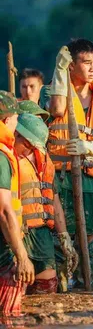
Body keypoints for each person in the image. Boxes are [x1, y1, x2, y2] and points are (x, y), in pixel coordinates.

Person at [47, 39, 93, 288]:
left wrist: (89, 147)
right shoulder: (56, 90)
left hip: (91, 177)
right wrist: (59, 70)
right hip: (62, 177)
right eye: (85, 63)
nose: (92, 68)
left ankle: (85, 280)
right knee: (61, 234)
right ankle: (62, 280)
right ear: (72, 65)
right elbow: (56, 110)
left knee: (89, 234)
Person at [14, 113, 78, 294]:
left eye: (32, 146)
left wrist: (64, 236)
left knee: (48, 284)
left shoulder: (44, 160)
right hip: (14, 229)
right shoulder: (7, 158)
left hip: (40, 231)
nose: (28, 150)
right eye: (26, 145)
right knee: (16, 283)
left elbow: (53, 200)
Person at [0, 91, 35, 314]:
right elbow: (4, 210)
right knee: (10, 317)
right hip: (1, 258)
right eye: (15, 118)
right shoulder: (1, 156)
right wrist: (22, 257)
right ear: (6, 120)